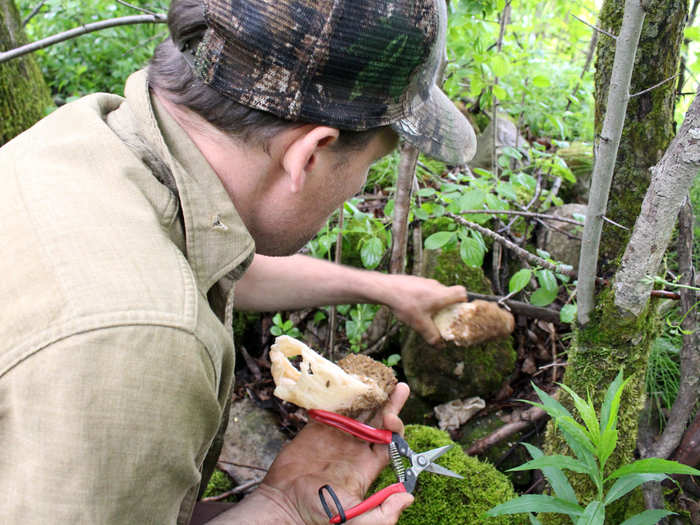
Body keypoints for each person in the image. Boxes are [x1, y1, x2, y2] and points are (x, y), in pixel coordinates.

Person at [0, 0, 476, 523]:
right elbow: (156, 310)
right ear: (310, 154)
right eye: (370, 166)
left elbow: (203, 266)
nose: (361, 185)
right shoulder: (143, 344)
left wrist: (385, 289)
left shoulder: (88, 139)